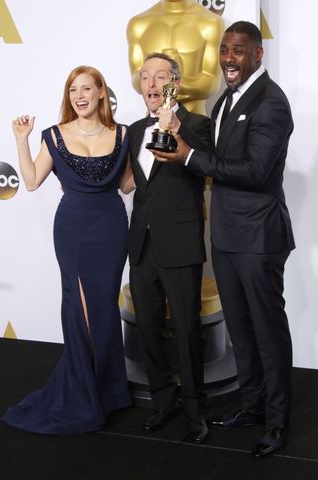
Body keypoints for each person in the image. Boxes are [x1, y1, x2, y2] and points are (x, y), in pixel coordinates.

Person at [150, 22, 295, 458]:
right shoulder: (226, 99)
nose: (229, 58)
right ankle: (251, 406)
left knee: (268, 334)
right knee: (240, 331)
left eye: (238, 50)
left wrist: (189, 156)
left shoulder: (272, 103)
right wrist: (177, 135)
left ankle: (277, 421)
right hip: (228, 236)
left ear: (258, 54)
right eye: (224, 50)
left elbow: (255, 171)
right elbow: (216, 157)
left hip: (259, 237)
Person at [3, 65, 134, 435]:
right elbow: (29, 182)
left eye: (87, 89)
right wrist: (21, 138)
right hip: (73, 229)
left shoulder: (123, 134)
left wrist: (153, 154)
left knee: (105, 308)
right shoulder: (54, 136)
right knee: (80, 310)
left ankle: (109, 391)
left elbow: (126, 186)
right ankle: (83, 390)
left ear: (101, 93)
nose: (79, 95)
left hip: (111, 227)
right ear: (68, 96)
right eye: (73, 89)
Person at [128, 52, 211, 444]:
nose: (151, 83)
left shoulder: (198, 124)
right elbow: (131, 183)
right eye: (145, 76)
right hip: (142, 245)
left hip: (180, 243)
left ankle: (195, 408)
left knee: (187, 329)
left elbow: (207, 164)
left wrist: (176, 126)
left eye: (159, 76)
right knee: (147, 328)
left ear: (174, 82)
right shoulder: (132, 131)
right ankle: (165, 401)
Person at [127, 0, 224, 114]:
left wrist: (169, 82)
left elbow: (211, 83)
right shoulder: (138, 24)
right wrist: (166, 81)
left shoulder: (211, 23)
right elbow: (136, 78)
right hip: (153, 120)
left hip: (195, 122)